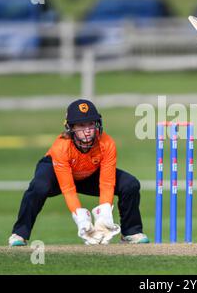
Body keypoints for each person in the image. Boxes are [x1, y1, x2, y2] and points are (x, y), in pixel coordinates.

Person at [8, 99, 149, 246]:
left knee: (130, 184)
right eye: (81, 125)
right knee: (39, 187)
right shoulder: (61, 147)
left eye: (91, 124)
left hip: (89, 173)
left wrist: (104, 217)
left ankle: (130, 233)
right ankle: (19, 234)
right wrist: (81, 218)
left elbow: (107, 183)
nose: (87, 130)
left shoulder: (107, 144)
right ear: (70, 127)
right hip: (56, 172)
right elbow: (68, 189)